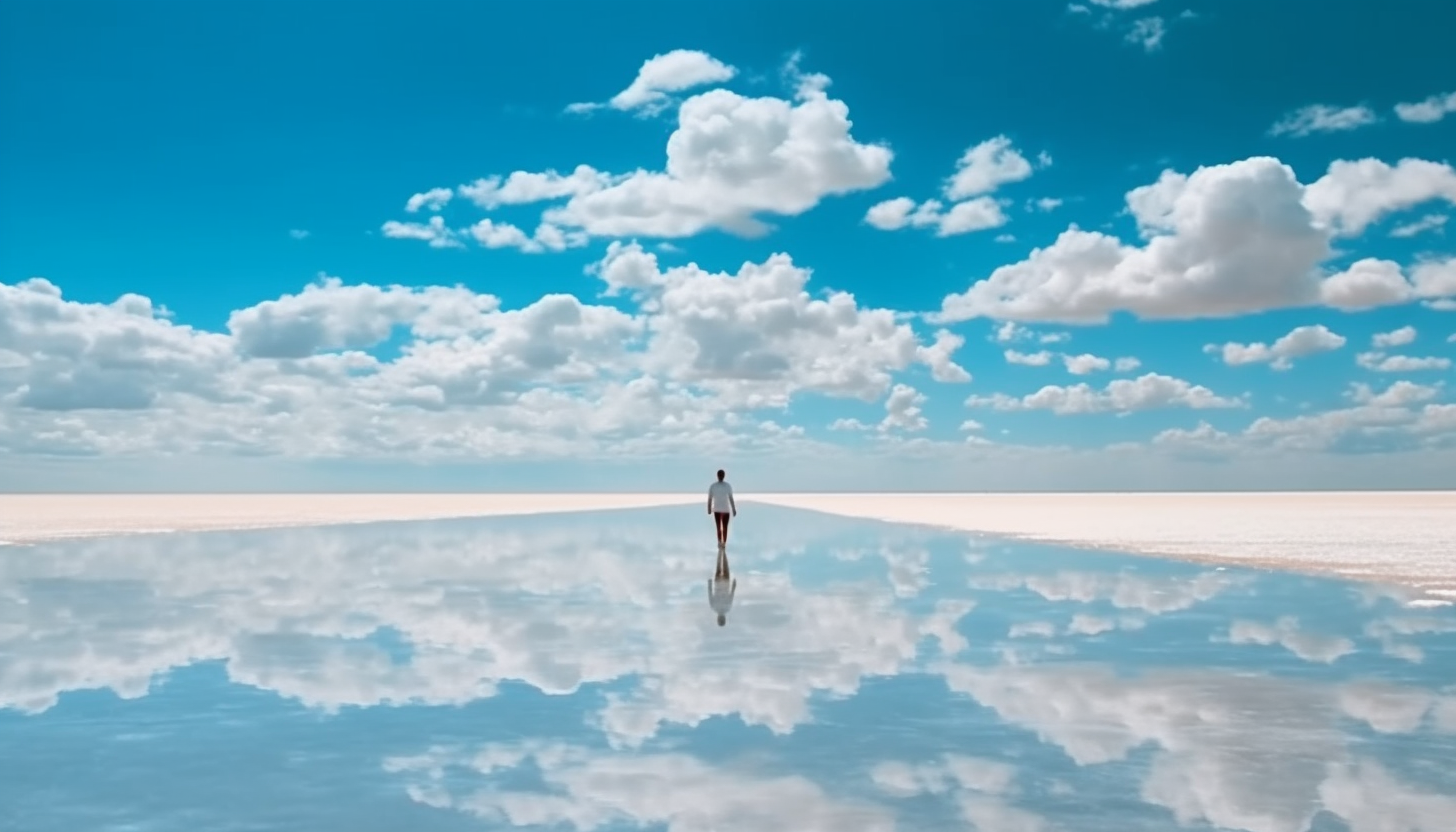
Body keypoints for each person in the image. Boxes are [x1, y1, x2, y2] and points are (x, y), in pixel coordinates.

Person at [707, 469, 736, 549]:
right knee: (720, 526)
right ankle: (721, 542)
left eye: (721, 475)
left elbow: (731, 498)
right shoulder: (714, 486)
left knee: (723, 527)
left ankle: (722, 542)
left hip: (724, 510)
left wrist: (733, 508)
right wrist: (709, 508)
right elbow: (710, 498)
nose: (721, 476)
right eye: (720, 475)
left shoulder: (725, 486)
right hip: (719, 510)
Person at [709, 546, 736, 627]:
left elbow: (731, 594)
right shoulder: (713, 607)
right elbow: (710, 593)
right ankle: (720, 551)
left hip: (726, 583)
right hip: (717, 583)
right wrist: (709, 583)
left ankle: (723, 551)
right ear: (718, 618)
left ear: (724, 618)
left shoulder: (728, 607)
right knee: (718, 567)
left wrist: (734, 585)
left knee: (725, 567)